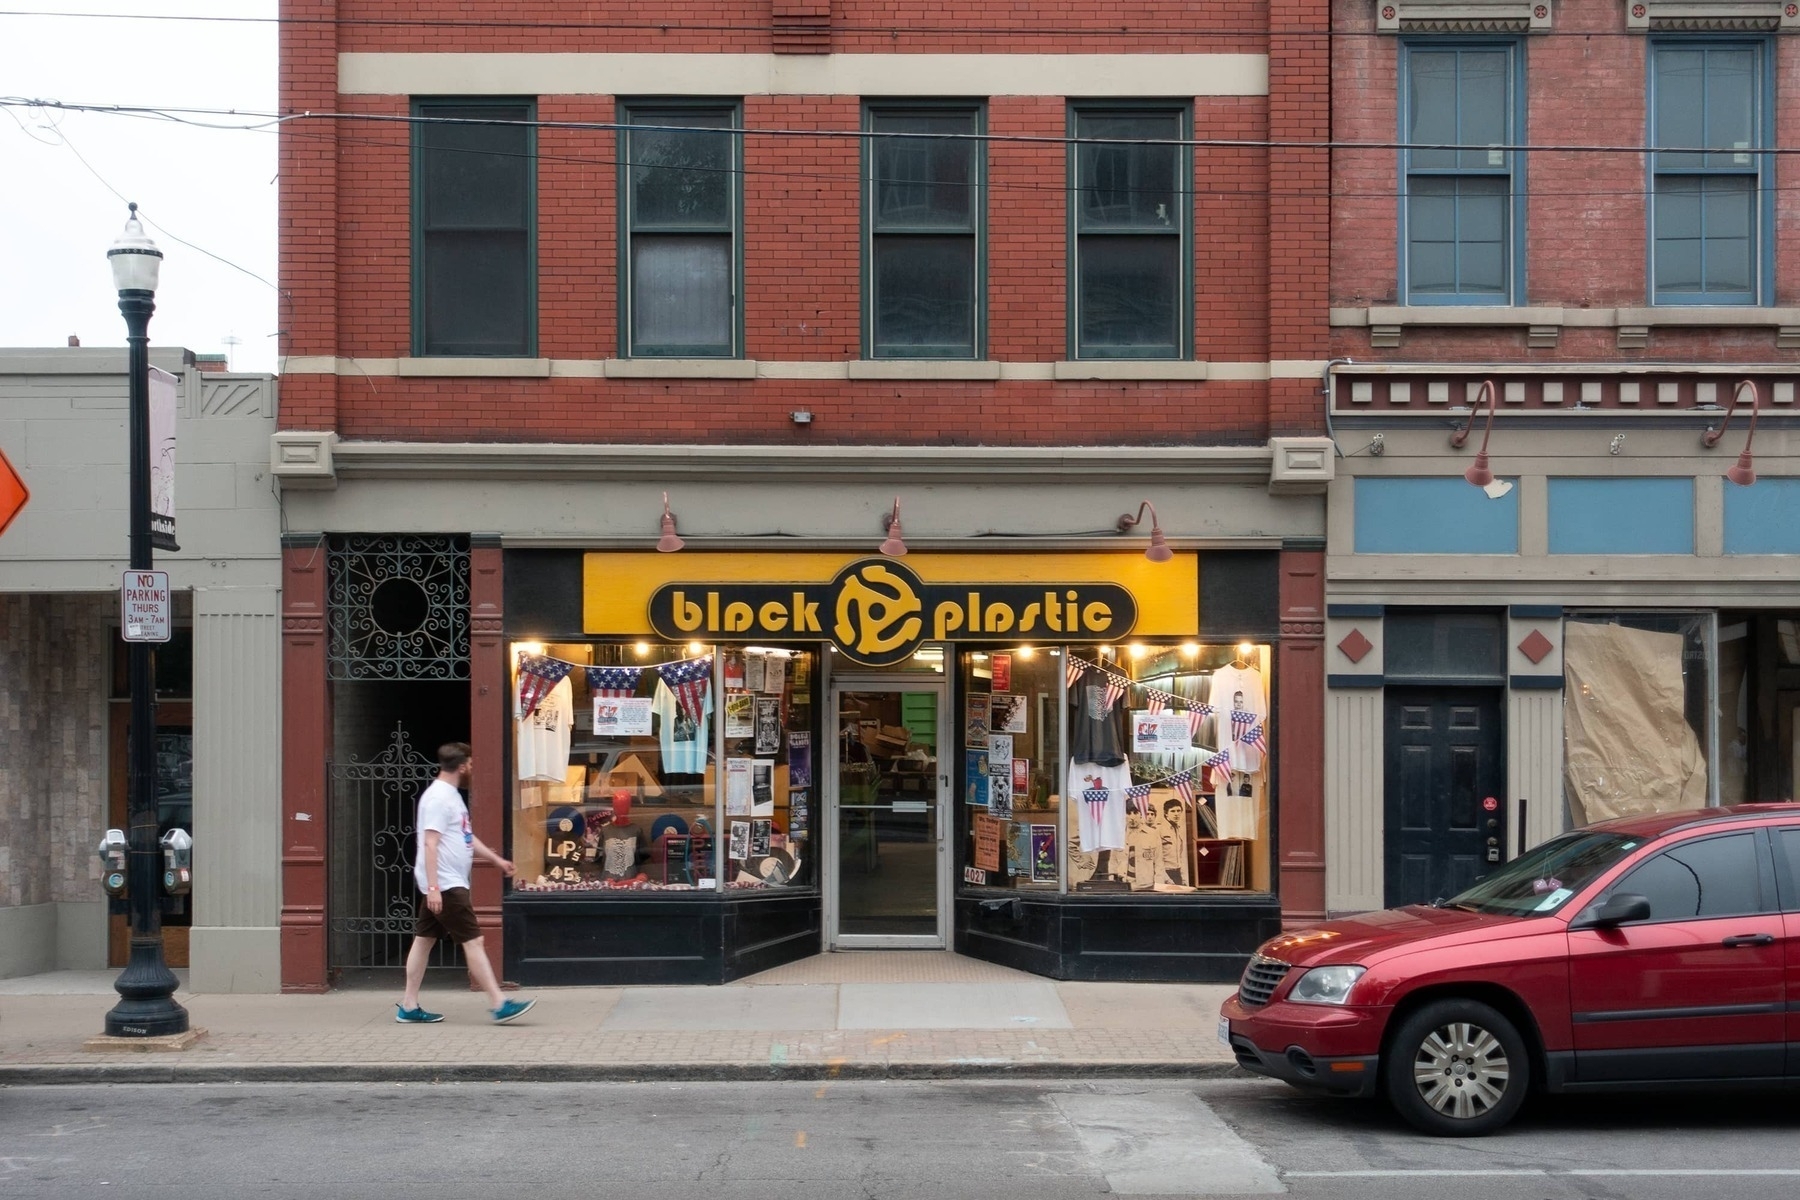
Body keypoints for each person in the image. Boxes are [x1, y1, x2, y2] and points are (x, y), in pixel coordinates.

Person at [397, 742, 536, 1024]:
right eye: (470, 764)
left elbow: (466, 838)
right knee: (474, 941)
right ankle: (499, 1004)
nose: (472, 768)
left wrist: (496, 861)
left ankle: (408, 1006)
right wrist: (434, 887)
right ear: (461, 766)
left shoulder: (450, 796)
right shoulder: (438, 798)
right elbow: (430, 844)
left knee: (423, 941)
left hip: (445, 882)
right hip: (447, 885)